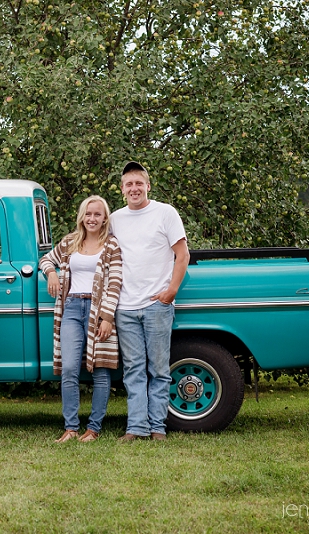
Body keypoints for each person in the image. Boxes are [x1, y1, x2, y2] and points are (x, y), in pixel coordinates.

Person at [111, 161, 189, 441]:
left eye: (138, 183)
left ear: (148, 186)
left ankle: (157, 428)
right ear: (122, 189)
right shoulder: (115, 219)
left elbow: (183, 254)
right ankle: (136, 428)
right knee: (132, 370)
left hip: (157, 304)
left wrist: (171, 291)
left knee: (158, 369)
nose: (134, 188)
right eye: (129, 184)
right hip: (125, 307)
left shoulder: (165, 213)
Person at [39, 195, 123, 443]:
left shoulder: (111, 246)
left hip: (99, 311)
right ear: (82, 217)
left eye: (97, 214)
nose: (92, 218)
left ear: (104, 218)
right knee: (69, 368)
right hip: (72, 308)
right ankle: (71, 427)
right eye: (88, 214)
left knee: (101, 369)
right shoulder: (69, 243)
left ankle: (94, 428)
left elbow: (115, 283)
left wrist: (107, 317)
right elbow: (45, 259)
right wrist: (51, 273)